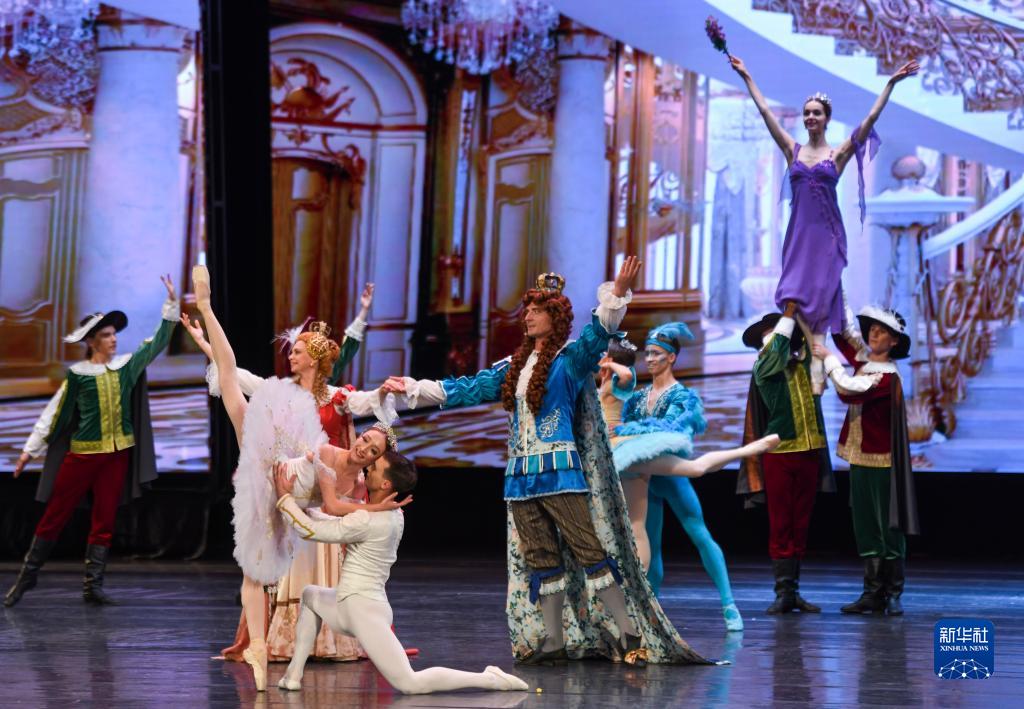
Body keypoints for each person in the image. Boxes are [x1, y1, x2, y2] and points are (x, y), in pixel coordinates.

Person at [383, 259, 708, 667]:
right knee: (541, 559)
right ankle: (553, 641)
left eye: (537, 311)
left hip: (560, 473)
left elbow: (597, 334)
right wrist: (412, 387)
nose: (528, 317)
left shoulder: (570, 361)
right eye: (528, 311)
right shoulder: (513, 366)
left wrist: (617, 294)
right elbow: (468, 388)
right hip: (520, 477)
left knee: (590, 552)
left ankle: (628, 634)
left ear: (555, 318)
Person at [191, 265, 405, 690]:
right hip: (278, 482)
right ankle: (261, 642)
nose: (291, 355)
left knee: (268, 566)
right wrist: (205, 335)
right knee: (256, 571)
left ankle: (278, 642)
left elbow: (335, 487)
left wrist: (370, 505)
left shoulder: (333, 404)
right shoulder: (278, 399)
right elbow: (233, 375)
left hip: (302, 489)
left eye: (299, 351)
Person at [728, 54, 919, 393]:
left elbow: (870, 118)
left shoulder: (837, 155)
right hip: (799, 235)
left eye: (816, 112)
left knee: (819, 295)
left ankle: (818, 366)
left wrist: (890, 83)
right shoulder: (792, 150)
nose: (810, 117)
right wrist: (746, 76)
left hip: (827, 237)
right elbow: (766, 112)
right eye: (807, 113)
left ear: (827, 118)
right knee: (793, 294)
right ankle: (805, 359)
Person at [272, 452, 529, 694]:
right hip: (350, 604)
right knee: (310, 595)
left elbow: (312, 531)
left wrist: (285, 499)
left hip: (362, 611)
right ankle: (293, 675)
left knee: (410, 683)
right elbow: (341, 523)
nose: (368, 468)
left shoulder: (370, 519)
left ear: (385, 484)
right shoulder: (394, 514)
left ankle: (490, 678)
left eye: (374, 468)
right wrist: (304, 508)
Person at [5, 276, 180, 607]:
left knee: (105, 519)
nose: (113, 339)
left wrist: (171, 304)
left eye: (114, 334)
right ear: (91, 341)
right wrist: (29, 450)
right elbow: (54, 413)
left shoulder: (125, 367)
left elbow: (157, 342)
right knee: (56, 514)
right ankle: (28, 575)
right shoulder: (79, 374)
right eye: (106, 335)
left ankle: (92, 585)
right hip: (83, 457)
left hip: (117, 455)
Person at [602, 325, 779, 633]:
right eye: (648, 354)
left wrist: (632, 432)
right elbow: (621, 419)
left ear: (671, 358)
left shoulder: (682, 396)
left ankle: (728, 604)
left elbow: (672, 429)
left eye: (656, 354)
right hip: (644, 474)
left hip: (670, 475)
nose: (650, 359)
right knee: (650, 543)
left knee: (699, 534)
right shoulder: (639, 396)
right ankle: (650, 610)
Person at [813, 303, 919, 615]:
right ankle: (872, 592)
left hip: (883, 462)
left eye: (882, 331)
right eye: (872, 328)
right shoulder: (866, 362)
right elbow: (842, 334)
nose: (874, 334)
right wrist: (834, 290)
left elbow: (848, 391)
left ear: (894, 341)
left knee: (889, 526)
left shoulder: (886, 377)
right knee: (866, 526)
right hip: (860, 458)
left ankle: (893, 592)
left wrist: (829, 359)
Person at [737, 302, 835, 614]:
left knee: (800, 523)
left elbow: (808, 341)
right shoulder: (764, 368)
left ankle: (794, 591)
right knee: (781, 523)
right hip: (780, 455)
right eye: (769, 336)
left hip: (809, 452)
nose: (775, 339)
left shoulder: (803, 366)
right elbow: (775, 353)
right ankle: (783, 591)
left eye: (777, 333)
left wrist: (803, 317)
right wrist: (788, 317)